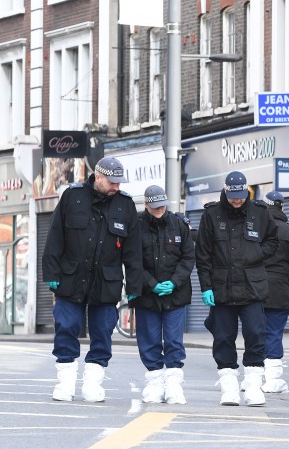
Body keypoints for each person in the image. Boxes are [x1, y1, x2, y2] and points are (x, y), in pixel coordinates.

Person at [42, 156, 143, 402]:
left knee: (102, 333)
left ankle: (93, 384)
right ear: (98, 177)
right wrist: (51, 273)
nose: (116, 187)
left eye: (119, 183)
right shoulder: (72, 197)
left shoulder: (125, 205)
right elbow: (55, 237)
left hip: (106, 282)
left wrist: (134, 286)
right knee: (66, 328)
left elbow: (133, 252)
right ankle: (65, 383)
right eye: (112, 182)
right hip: (70, 278)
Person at [195, 170, 279, 406]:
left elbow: (274, 241)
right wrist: (205, 286)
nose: (237, 200)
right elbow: (203, 254)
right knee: (223, 337)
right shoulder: (212, 214)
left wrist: (256, 254)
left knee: (255, 334)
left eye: (241, 195)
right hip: (221, 289)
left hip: (252, 287)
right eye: (233, 196)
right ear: (225, 191)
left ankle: (253, 387)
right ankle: (229, 388)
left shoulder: (260, 213)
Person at [133, 185, 195, 405]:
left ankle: (174, 385)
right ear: (146, 205)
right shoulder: (136, 226)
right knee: (148, 340)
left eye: (162, 206)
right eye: (154, 207)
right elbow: (132, 261)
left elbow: (189, 258)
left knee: (173, 341)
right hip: (146, 295)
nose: (159, 210)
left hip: (175, 295)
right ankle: (154, 383)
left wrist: (174, 282)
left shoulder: (179, 224)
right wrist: (151, 284)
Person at [259, 190, 289, 394]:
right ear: (282, 207)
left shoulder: (255, 229)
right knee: (273, 334)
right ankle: (273, 378)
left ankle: (254, 376)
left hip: (254, 289)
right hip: (280, 290)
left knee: (255, 333)